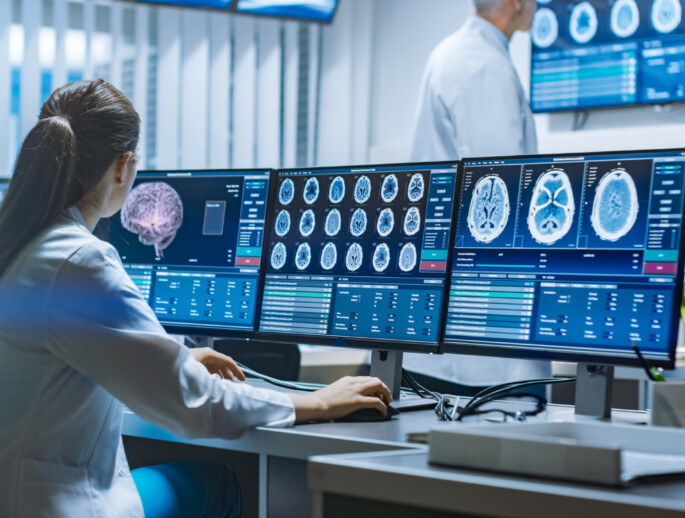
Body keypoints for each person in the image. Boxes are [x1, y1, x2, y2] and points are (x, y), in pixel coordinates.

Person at [0, 79, 391, 517]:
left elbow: (70, 359)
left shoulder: (19, 245)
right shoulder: (79, 262)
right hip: (51, 504)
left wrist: (175, 360)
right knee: (220, 483)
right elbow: (192, 403)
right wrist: (315, 402)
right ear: (123, 168)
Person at [403, 0, 551, 395]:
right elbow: (503, 195)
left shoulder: (449, 54)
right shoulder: (486, 68)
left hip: (447, 326)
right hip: (482, 346)